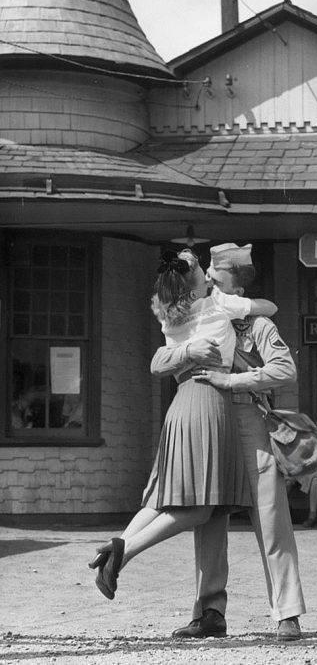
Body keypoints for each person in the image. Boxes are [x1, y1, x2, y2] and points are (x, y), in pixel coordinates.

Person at [88, 248, 276, 600]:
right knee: (202, 506)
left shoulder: (171, 313)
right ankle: (123, 551)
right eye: (205, 270)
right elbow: (269, 308)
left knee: (162, 495)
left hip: (182, 402)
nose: (210, 274)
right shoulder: (218, 304)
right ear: (199, 281)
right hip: (209, 401)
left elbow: (163, 358)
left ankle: (118, 546)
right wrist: (233, 301)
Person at [149, 243, 306, 642]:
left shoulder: (257, 324)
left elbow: (284, 369)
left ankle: (287, 613)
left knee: (270, 514)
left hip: (246, 418)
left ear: (235, 282)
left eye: (215, 278)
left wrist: (233, 379)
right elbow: (165, 360)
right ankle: (209, 611)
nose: (208, 284)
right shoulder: (196, 318)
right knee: (210, 514)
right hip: (207, 418)